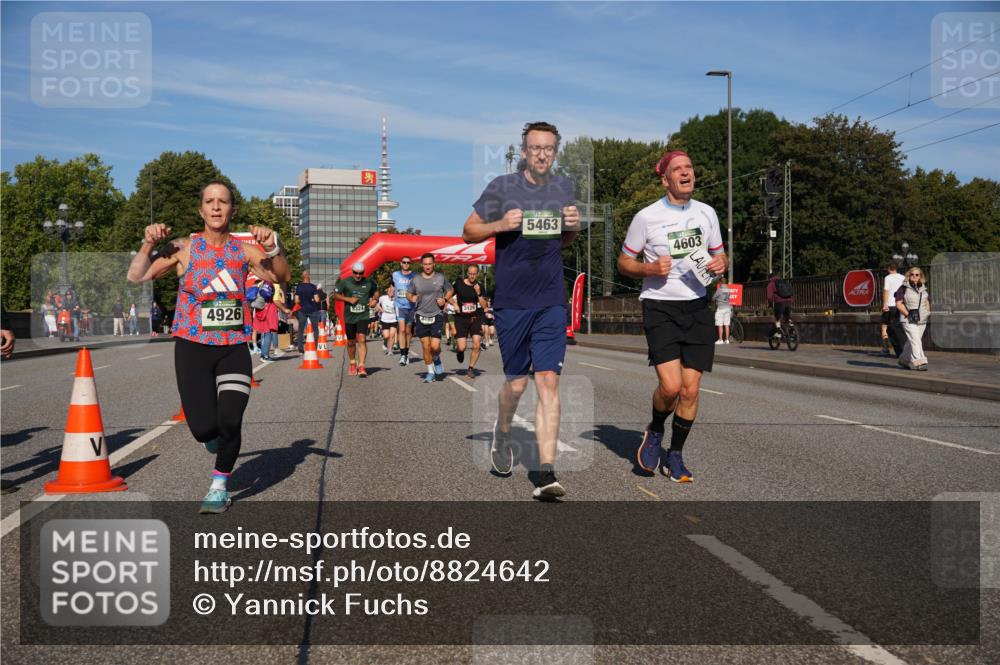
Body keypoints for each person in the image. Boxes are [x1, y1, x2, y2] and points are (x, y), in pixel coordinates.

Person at [127, 180, 290, 514]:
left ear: (232, 209)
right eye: (210, 201)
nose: (217, 207)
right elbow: (136, 277)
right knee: (203, 427)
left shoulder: (244, 252)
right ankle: (213, 440)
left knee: (231, 420)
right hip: (192, 347)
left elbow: (279, 278)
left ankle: (219, 485)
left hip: (232, 347)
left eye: (224, 201)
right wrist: (147, 244)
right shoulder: (183, 248)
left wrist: (274, 248)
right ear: (200, 210)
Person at [462, 121, 580, 499]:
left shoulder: (563, 188)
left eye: (548, 148)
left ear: (555, 152)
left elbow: (563, 240)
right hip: (512, 301)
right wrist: (499, 224)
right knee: (516, 384)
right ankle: (503, 430)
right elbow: (468, 231)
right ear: (524, 151)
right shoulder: (502, 187)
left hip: (550, 299)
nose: (542, 154)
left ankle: (545, 473)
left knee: (548, 381)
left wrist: (574, 228)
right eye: (535, 148)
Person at [617, 150, 727, 483]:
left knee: (691, 391)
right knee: (671, 385)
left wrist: (722, 264)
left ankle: (675, 455)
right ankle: (654, 430)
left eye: (689, 168)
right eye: (677, 169)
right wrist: (648, 268)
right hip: (660, 305)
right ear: (665, 179)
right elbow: (624, 262)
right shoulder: (646, 217)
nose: (686, 173)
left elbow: (720, 256)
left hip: (696, 306)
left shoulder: (707, 213)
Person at [407, 253, 454, 383]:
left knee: (435, 346)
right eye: (425, 264)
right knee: (425, 346)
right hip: (421, 314)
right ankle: (430, 372)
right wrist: (412, 298)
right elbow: (408, 294)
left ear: (434, 264)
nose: (428, 266)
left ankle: (437, 358)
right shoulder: (415, 279)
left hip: (437, 314)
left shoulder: (440, 277)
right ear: (422, 265)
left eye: (430, 264)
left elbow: (450, 290)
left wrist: (444, 299)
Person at [334, 262, 379, 378]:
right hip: (350, 316)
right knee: (351, 342)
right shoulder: (345, 282)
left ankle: (362, 366)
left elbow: (376, 291)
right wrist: (348, 299)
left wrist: (375, 300)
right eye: (356, 273)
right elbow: (336, 295)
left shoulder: (369, 282)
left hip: (363, 315)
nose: (358, 276)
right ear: (352, 272)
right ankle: (353, 362)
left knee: (362, 339)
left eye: (360, 273)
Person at [453, 264, 488, 377]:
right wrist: (454, 304)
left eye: (474, 274)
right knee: (462, 346)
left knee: (476, 345)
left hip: (475, 318)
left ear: (477, 274)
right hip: (461, 318)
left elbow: (484, 305)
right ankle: (460, 351)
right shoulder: (459, 284)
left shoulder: (480, 286)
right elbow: (447, 296)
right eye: (470, 274)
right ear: (467, 273)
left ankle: (471, 368)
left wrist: (478, 293)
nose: (472, 276)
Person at [895, 266, 931, 371]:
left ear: (920, 276)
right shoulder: (903, 288)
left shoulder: (923, 288)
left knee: (913, 341)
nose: (914, 276)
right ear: (908, 275)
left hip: (922, 319)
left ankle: (903, 360)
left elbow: (927, 301)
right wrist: (908, 314)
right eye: (912, 274)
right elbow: (898, 304)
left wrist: (928, 312)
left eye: (917, 274)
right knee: (916, 340)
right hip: (908, 318)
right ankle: (920, 362)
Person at [392, 256, 415, 365]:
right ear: (400, 263)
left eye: (408, 262)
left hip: (411, 306)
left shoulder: (414, 275)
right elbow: (392, 286)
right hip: (399, 305)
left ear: (410, 264)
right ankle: (402, 355)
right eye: (404, 262)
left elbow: (418, 288)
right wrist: (392, 292)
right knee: (401, 329)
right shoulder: (395, 274)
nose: (406, 264)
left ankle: (406, 353)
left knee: (408, 331)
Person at [882, 260, 905, 357]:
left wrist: (884, 304)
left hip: (891, 305)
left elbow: (886, 291)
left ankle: (888, 348)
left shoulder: (888, 278)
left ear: (888, 268)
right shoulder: (903, 277)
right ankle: (903, 350)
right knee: (900, 328)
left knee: (887, 327)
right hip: (901, 304)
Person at [294, 271, 321, 353]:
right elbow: (316, 300)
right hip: (313, 310)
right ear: (309, 277)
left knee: (301, 329)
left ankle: (300, 348)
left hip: (302, 310)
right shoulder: (313, 287)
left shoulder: (299, 287)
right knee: (315, 329)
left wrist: (301, 301)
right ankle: (315, 346)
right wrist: (318, 299)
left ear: (302, 277)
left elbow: (296, 300)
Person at [253, 282, 279, 361]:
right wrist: (284, 309)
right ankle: (265, 355)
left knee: (265, 333)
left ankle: (264, 354)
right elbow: (275, 300)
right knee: (268, 333)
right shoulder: (275, 285)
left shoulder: (262, 284)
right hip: (269, 309)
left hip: (260, 309)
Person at [377, 284, 398, 355]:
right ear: (388, 292)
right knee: (386, 336)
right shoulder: (382, 298)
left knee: (392, 335)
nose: (392, 292)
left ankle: (390, 350)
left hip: (394, 319)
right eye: (391, 291)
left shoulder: (397, 299)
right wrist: (381, 309)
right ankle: (385, 342)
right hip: (385, 319)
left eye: (393, 291)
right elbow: (377, 304)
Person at [713, 277, 732, 344]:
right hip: (728, 307)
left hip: (721, 308)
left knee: (720, 324)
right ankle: (727, 339)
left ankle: (720, 339)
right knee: (727, 324)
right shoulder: (729, 289)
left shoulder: (719, 290)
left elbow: (713, 297)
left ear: (720, 282)